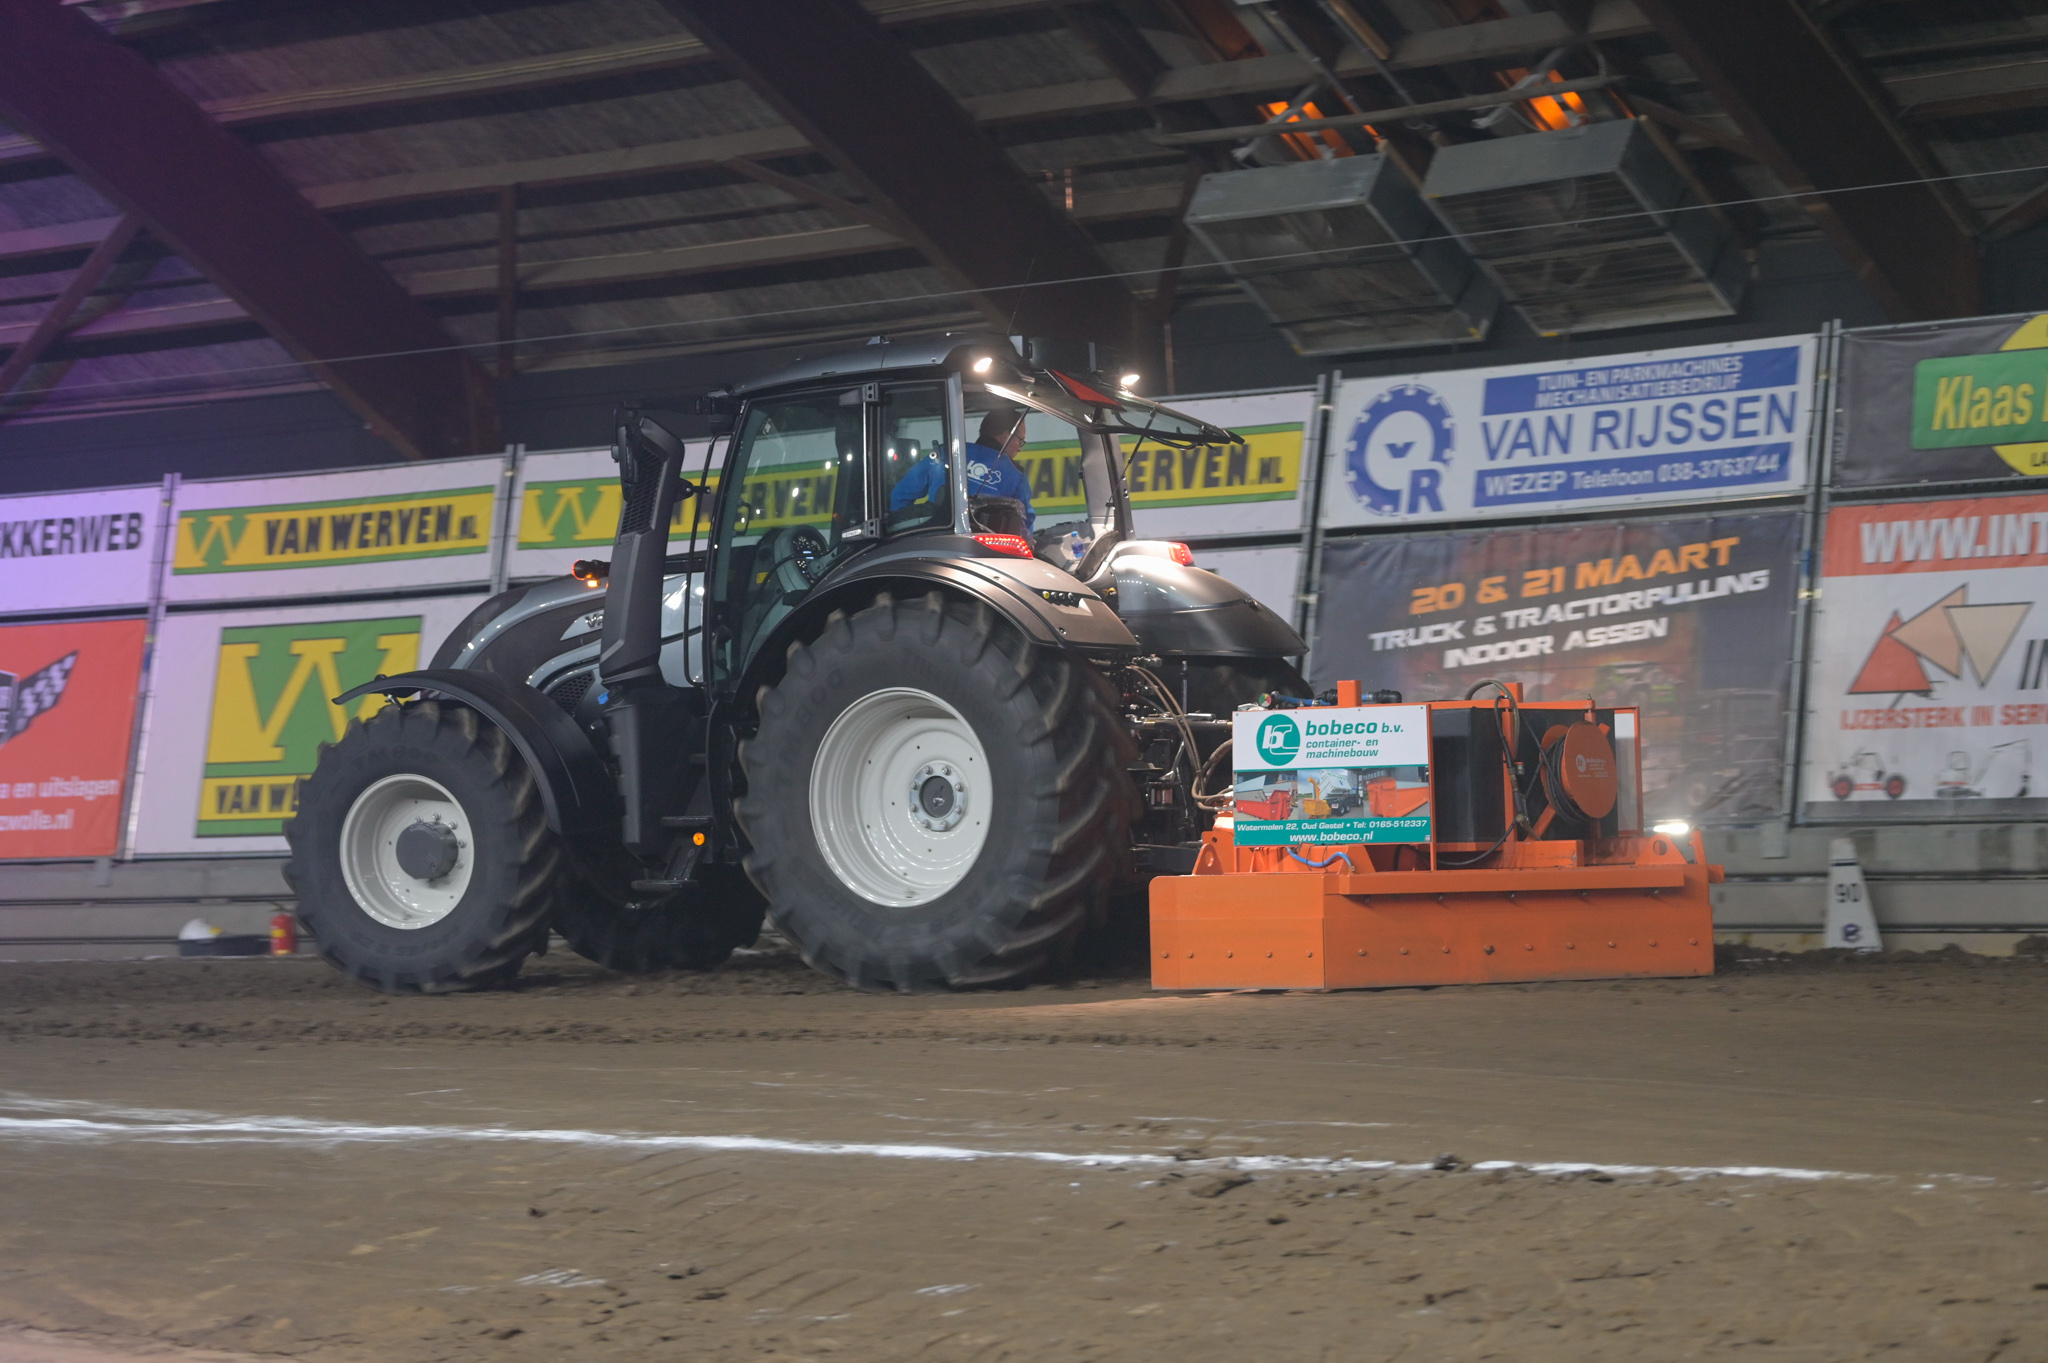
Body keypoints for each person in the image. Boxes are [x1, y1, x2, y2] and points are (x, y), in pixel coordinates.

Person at [889, 407, 1036, 532]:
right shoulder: (1017, 474)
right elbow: (1025, 523)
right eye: (1020, 441)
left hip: (934, 543)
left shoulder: (945, 454)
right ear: (1006, 436)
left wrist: (904, 534)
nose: (1019, 448)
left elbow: (900, 495)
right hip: (984, 552)